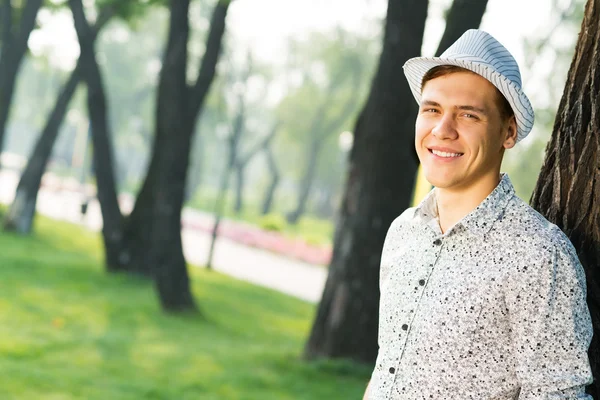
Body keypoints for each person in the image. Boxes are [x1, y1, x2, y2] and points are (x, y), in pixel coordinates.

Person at [363, 29, 593, 399]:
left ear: (508, 132)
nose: (443, 130)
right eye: (432, 109)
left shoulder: (538, 254)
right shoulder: (403, 232)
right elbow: (387, 366)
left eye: (468, 115)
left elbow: (557, 394)